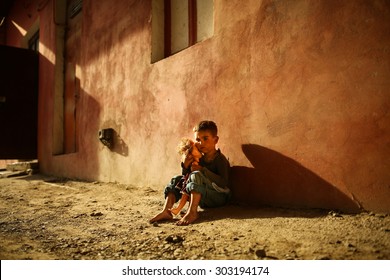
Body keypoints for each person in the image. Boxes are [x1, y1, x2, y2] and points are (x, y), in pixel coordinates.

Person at [149, 120, 230, 226]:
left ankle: (192, 212)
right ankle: (166, 211)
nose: (201, 143)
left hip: (218, 197)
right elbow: (186, 178)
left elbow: (223, 182)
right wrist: (186, 165)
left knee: (196, 175)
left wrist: (202, 170)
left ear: (216, 140)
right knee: (177, 179)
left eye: (205, 138)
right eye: (198, 139)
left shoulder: (219, 159)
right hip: (203, 197)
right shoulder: (199, 158)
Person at [170, 138, 202, 216]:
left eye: (192, 147)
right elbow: (185, 173)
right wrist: (185, 164)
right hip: (190, 181)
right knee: (186, 194)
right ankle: (182, 209)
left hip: (196, 182)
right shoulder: (192, 157)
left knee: (188, 193)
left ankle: (183, 209)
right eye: (190, 150)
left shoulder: (199, 153)